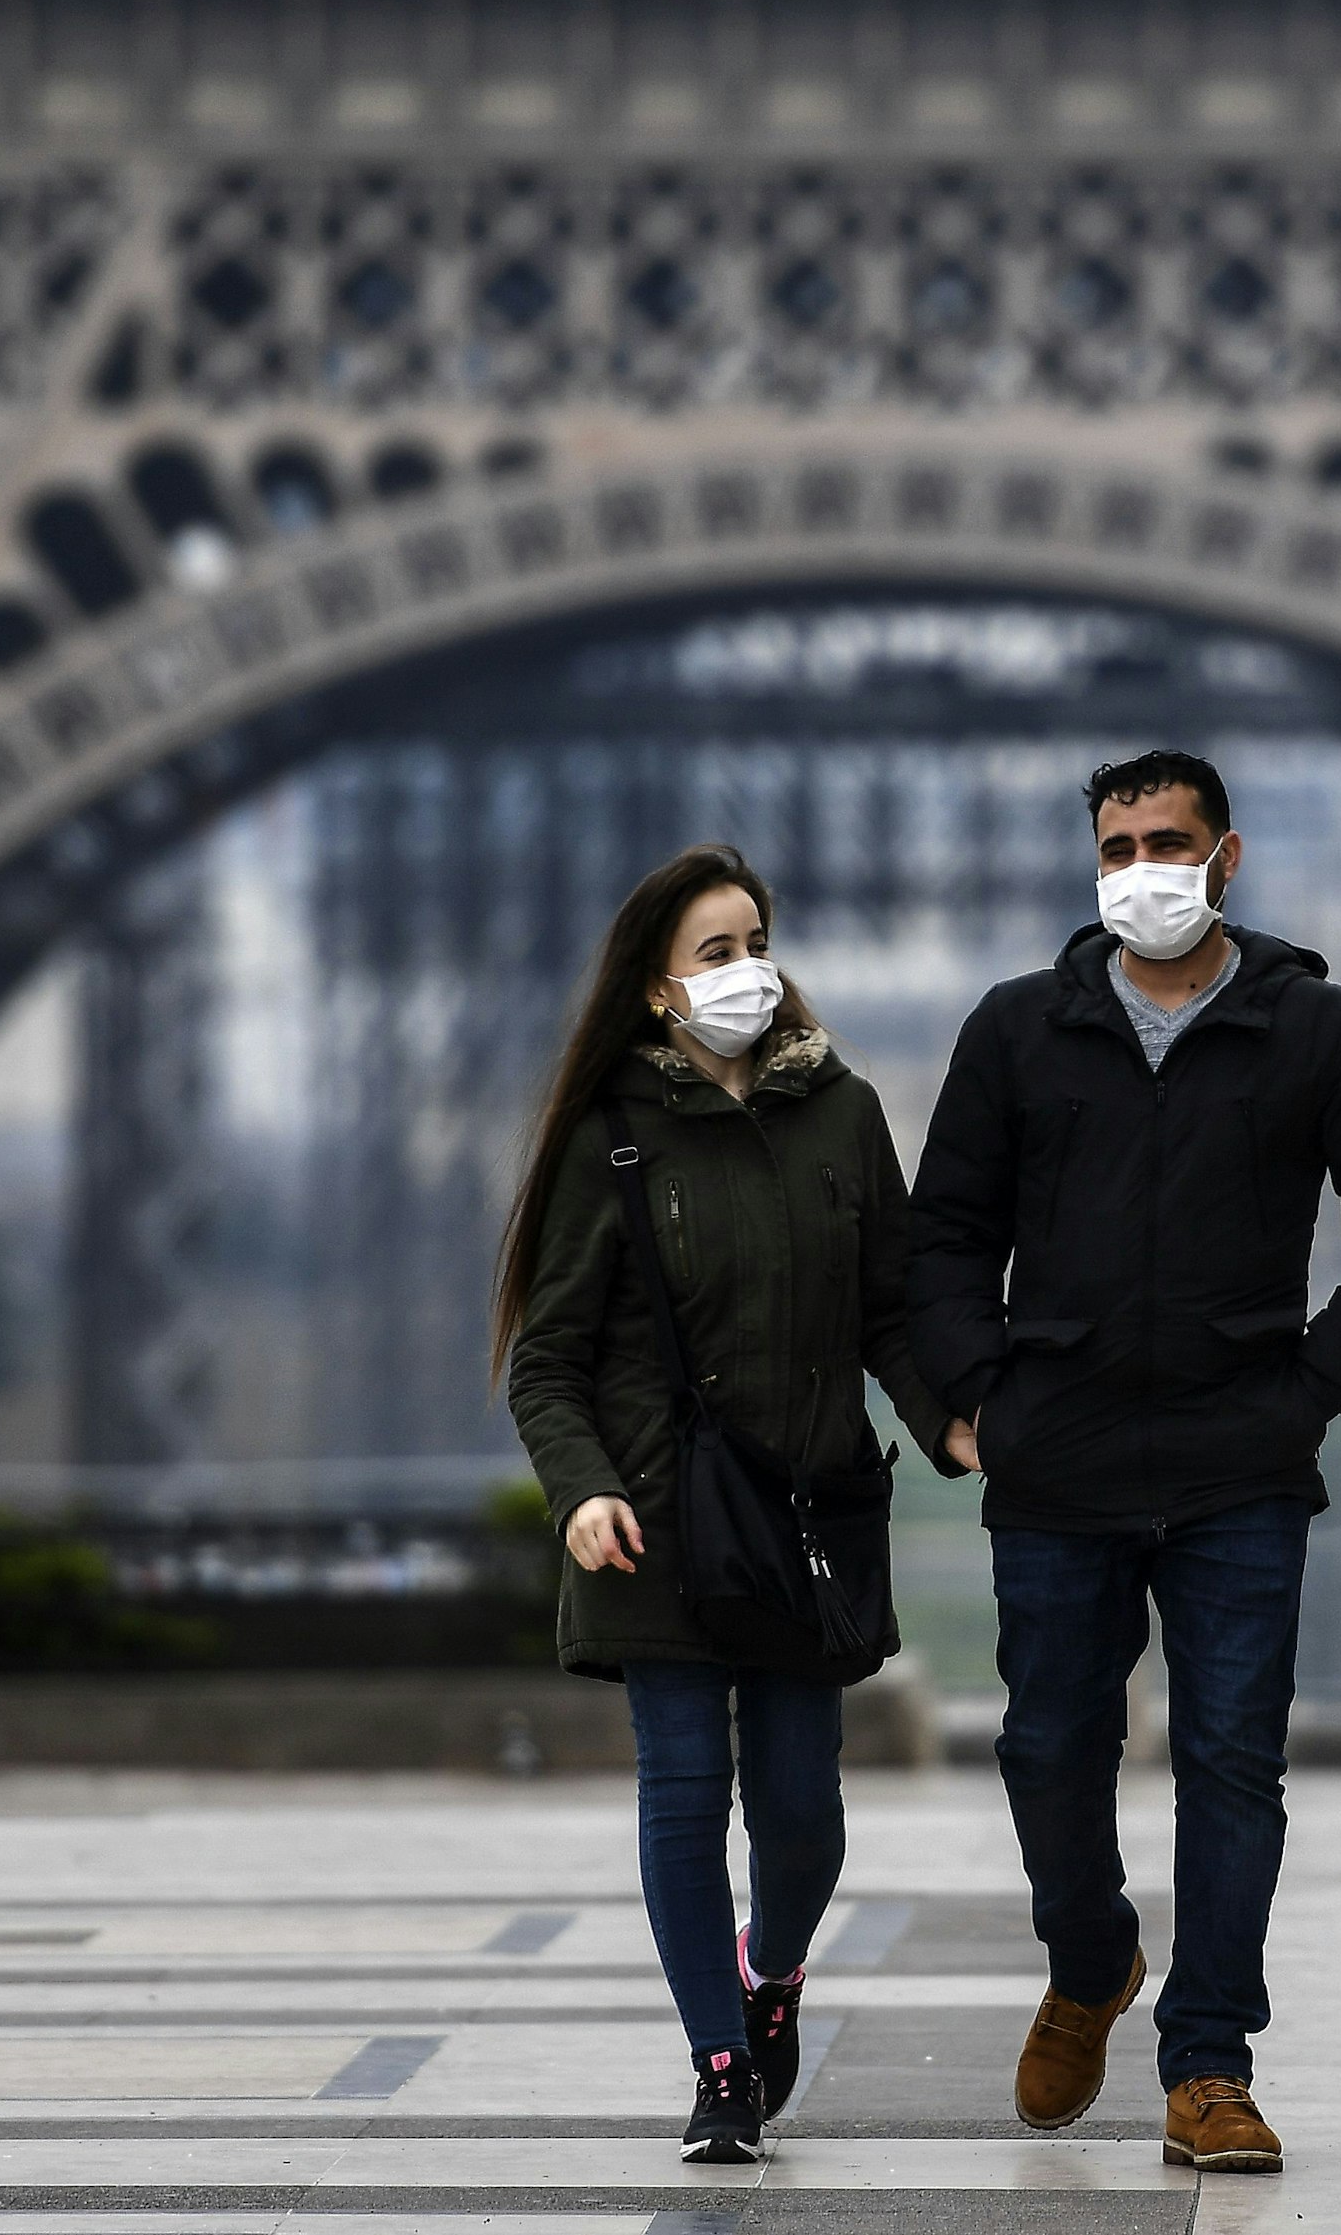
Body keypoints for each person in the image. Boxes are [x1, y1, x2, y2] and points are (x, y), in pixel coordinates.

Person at [906, 750, 1341, 2175]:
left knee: (1231, 1762)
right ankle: (1092, 1957)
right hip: (1061, 1453)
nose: (1141, 869)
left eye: (1168, 842)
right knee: (1045, 1746)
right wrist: (974, 1397)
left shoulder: (1319, 1030)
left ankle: (1209, 2063)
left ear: (1228, 859)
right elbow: (942, 1242)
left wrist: (1314, 1391)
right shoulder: (1016, 1031)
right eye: (1117, 846)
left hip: (1239, 1460)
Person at [494, 843, 932, 2165]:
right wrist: (579, 1492)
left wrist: (957, 1418)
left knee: (801, 1807)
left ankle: (774, 1969)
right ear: (655, 990)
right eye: (715, 951)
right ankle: (722, 2061)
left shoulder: (842, 1111)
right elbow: (547, 1359)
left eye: (757, 941)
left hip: (802, 1519)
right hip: (657, 1518)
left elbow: (894, 1311)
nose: (749, 969)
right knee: (684, 1792)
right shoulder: (609, 1136)